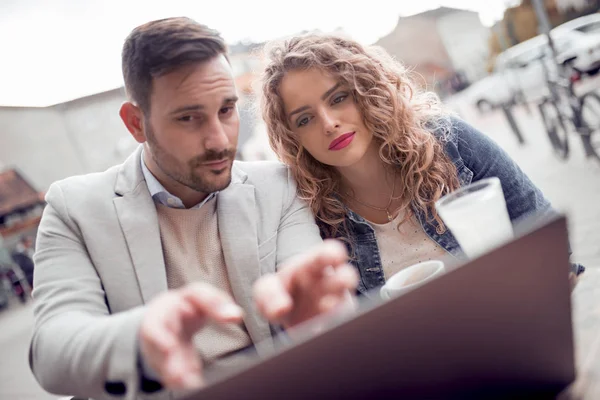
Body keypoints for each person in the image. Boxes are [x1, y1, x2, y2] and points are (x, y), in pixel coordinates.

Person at [30, 18, 358, 400]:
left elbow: (311, 288)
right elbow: (52, 351)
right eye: (188, 118)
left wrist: (312, 311)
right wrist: (142, 338)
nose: (219, 140)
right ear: (137, 123)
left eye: (226, 110)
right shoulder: (74, 208)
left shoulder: (277, 185)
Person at [259, 34, 584, 294]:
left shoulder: (450, 141)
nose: (328, 123)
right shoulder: (309, 216)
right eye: (305, 118)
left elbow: (547, 233)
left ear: (367, 91)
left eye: (338, 98)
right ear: (292, 137)